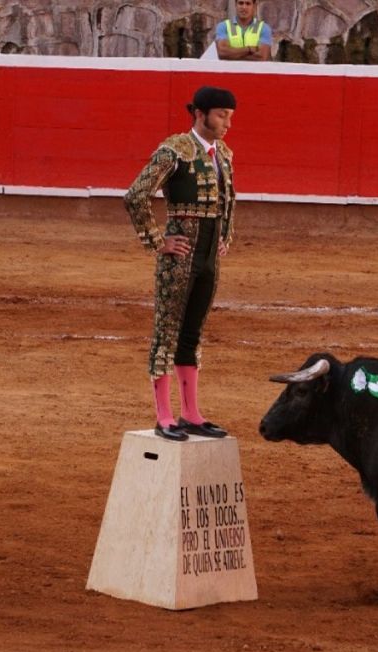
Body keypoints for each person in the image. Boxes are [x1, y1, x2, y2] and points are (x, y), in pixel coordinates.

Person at [124, 86, 239, 442]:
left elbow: (228, 200)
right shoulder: (175, 149)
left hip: (207, 256)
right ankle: (164, 415)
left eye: (230, 117)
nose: (227, 124)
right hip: (180, 254)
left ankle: (190, 413)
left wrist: (225, 235)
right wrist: (158, 241)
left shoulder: (224, 153)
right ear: (199, 113)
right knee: (167, 332)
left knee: (192, 333)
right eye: (221, 115)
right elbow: (136, 194)